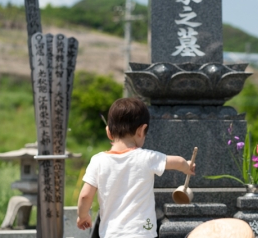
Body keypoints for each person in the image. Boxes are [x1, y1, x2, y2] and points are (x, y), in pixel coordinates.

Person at [76, 97, 195, 238]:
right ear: (142, 130)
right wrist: (187, 166)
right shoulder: (147, 157)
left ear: (108, 132)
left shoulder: (98, 161)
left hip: (111, 233)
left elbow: (85, 196)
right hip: (142, 233)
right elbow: (177, 161)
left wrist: (83, 216)